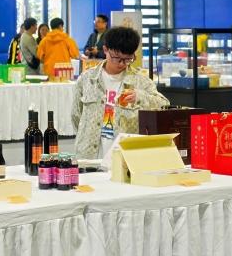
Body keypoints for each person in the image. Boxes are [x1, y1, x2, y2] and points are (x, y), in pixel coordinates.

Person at [70, 25, 169, 160]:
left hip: (124, 155)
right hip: (88, 154)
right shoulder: (87, 79)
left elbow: (164, 105)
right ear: (105, 50)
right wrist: (85, 135)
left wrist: (140, 96)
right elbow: (76, 115)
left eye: (128, 59)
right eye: (117, 58)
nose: (122, 64)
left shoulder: (141, 81)